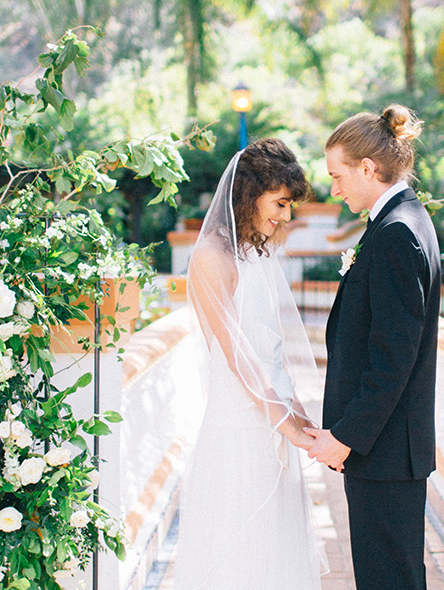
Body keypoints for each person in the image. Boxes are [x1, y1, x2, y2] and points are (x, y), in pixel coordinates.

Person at [176, 138, 328, 590]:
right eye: (279, 203)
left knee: (277, 558)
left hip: (271, 426)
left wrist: (299, 415)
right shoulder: (210, 258)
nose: (284, 216)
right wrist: (283, 421)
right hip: (238, 433)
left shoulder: (257, 256)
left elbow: (272, 352)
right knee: (236, 557)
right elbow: (236, 352)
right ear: (248, 193)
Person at [307, 105, 441, 590]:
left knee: (390, 580)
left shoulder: (397, 234)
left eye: (338, 176)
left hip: (384, 452)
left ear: (367, 168)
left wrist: (345, 437)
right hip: (386, 451)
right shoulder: (402, 222)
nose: (334, 188)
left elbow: (392, 361)